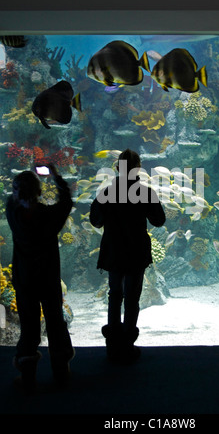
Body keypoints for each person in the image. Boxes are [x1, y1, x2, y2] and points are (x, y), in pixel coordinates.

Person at [90, 149, 166, 362]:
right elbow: (159, 220)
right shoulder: (145, 192)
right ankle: (127, 345)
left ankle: (112, 345)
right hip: (136, 251)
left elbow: (95, 220)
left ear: (116, 168)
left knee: (114, 295)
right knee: (132, 297)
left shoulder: (106, 192)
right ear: (138, 168)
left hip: (114, 250)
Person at [5, 165, 75, 392]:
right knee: (55, 323)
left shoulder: (13, 213)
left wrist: (21, 190)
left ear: (17, 193)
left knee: (29, 327)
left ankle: (27, 377)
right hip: (48, 279)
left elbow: (13, 198)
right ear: (39, 191)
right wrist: (55, 175)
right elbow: (66, 202)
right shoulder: (49, 216)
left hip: (25, 280)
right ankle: (61, 372)